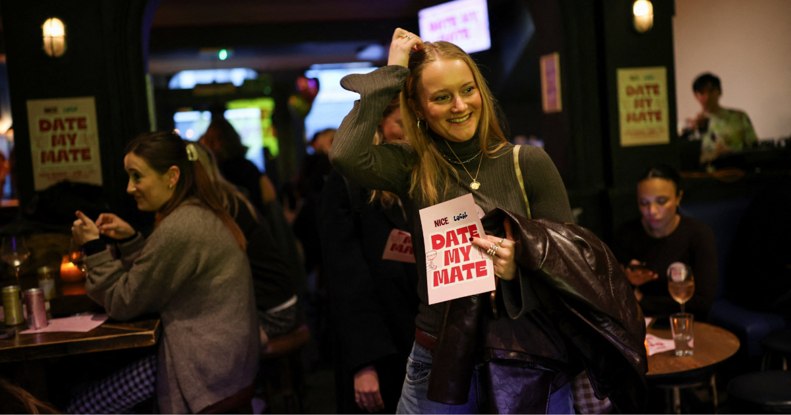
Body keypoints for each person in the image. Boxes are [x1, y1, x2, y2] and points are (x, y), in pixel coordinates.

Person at [331, 28, 646, 413]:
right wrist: (394, 72)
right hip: (438, 353)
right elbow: (346, 155)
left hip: (525, 354)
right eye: (441, 97)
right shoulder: (413, 167)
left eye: (468, 90)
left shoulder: (526, 162)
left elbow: (571, 265)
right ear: (418, 108)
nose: (460, 106)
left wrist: (522, 262)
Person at [68, 131, 259, 413]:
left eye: (137, 176)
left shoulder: (181, 226)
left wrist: (94, 247)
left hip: (206, 370)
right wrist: (132, 240)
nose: (129, 188)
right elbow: (157, 279)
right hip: (228, 362)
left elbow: (124, 301)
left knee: (79, 408)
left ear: (171, 176)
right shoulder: (197, 211)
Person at [320, 98, 419, 413]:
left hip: (423, 341)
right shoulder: (349, 182)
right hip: (380, 346)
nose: (409, 134)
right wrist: (364, 364)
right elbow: (346, 281)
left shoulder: (424, 176)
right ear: (379, 124)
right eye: (401, 124)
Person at [192, 141, 303, 348]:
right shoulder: (231, 196)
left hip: (273, 312)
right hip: (283, 302)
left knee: (198, 340)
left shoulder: (219, 208)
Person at [612, 164, 718, 320]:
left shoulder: (698, 234)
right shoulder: (626, 234)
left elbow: (702, 303)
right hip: (639, 323)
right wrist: (628, 279)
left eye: (661, 201)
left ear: (678, 198)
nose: (652, 211)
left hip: (687, 322)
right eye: (644, 203)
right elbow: (614, 295)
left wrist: (642, 300)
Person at [682, 72, 758, 165]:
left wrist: (732, 152)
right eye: (702, 93)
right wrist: (693, 130)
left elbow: (754, 148)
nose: (707, 97)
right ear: (696, 96)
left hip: (737, 171)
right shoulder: (690, 125)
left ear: (719, 92)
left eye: (711, 91)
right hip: (706, 175)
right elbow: (687, 157)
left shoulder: (739, 117)